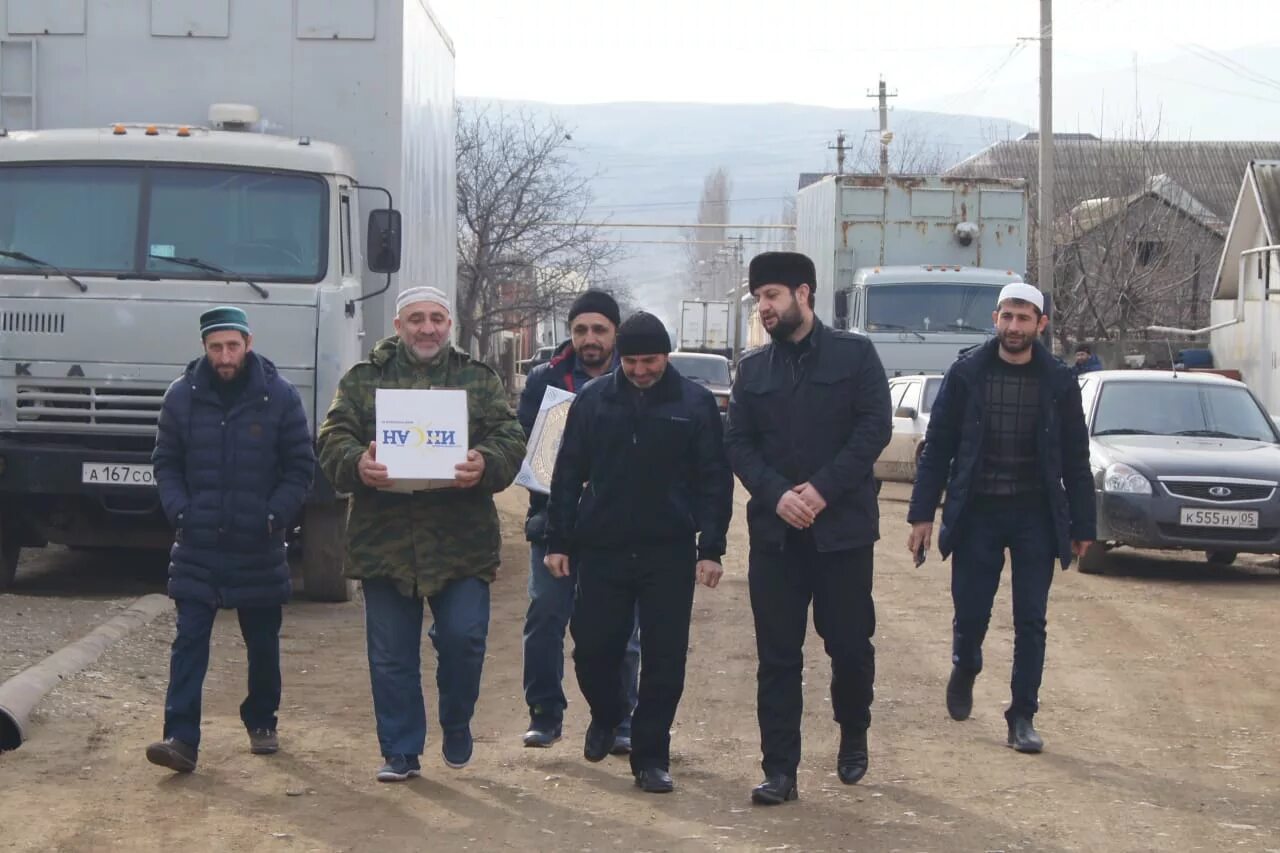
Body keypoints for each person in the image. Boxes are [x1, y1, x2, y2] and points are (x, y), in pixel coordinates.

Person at [316, 286, 526, 782]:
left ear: (449, 324)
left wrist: (486, 462)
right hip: (384, 541)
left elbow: (509, 436)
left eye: (436, 318)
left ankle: (456, 721)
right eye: (416, 319)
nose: (427, 328)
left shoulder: (477, 379)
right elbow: (332, 436)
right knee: (390, 655)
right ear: (398, 326)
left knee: (464, 640)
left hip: (461, 542)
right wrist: (357, 463)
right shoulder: (364, 380)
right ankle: (400, 750)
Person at [725, 251, 892, 806]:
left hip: (842, 533)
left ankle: (854, 732)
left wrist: (820, 490)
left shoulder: (856, 355)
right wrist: (776, 495)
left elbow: (873, 430)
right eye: (758, 299)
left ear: (804, 293)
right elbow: (738, 444)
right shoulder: (752, 371)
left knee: (848, 644)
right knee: (777, 656)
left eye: (771, 296)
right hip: (776, 539)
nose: (764, 307)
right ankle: (780, 771)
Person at [544, 311, 733, 794]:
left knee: (665, 660)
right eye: (631, 361)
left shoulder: (694, 404)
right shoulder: (593, 401)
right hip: (603, 548)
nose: (641, 370)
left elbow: (715, 479)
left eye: (649, 360)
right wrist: (558, 540)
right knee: (591, 648)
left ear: (666, 356)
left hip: (667, 550)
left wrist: (710, 548)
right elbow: (566, 473)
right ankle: (607, 715)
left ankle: (651, 757)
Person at [906, 282, 1096, 754]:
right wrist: (921, 516)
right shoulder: (967, 372)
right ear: (995, 319)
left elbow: (1076, 456)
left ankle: (1022, 716)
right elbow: (938, 449)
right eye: (1007, 316)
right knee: (972, 613)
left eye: (1024, 318)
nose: (1014, 327)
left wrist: (1084, 526)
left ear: (1041, 325)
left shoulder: (1057, 380)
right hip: (977, 513)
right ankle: (965, 663)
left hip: (1035, 514)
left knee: (1031, 620)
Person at [146, 306, 315, 773]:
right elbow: (165, 462)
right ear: (204, 347)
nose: (225, 355)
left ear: (248, 343)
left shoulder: (279, 397)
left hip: (257, 544)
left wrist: (273, 515)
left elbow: (301, 466)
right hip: (198, 543)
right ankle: (180, 737)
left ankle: (261, 718)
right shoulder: (181, 397)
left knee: (262, 642)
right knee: (189, 641)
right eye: (216, 347)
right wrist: (180, 509)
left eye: (232, 346)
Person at [517, 290, 640, 753]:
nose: (590, 339)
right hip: (553, 522)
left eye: (600, 330)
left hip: (617, 527)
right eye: (581, 329)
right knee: (546, 618)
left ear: (615, 333)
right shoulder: (544, 382)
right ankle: (545, 713)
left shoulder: (635, 377)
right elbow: (535, 454)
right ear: (571, 333)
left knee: (623, 631)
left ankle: (620, 717)